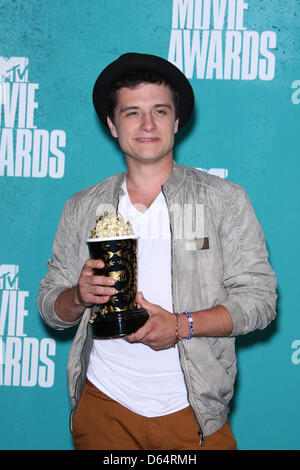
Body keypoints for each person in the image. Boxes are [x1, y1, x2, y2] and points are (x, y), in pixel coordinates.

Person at [37, 52, 277, 450]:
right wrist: (78, 296)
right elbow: (51, 308)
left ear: (177, 121)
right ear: (112, 125)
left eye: (160, 111)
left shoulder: (223, 201)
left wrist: (181, 326)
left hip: (196, 410)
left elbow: (260, 301)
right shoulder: (82, 207)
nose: (147, 125)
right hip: (103, 409)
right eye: (132, 113)